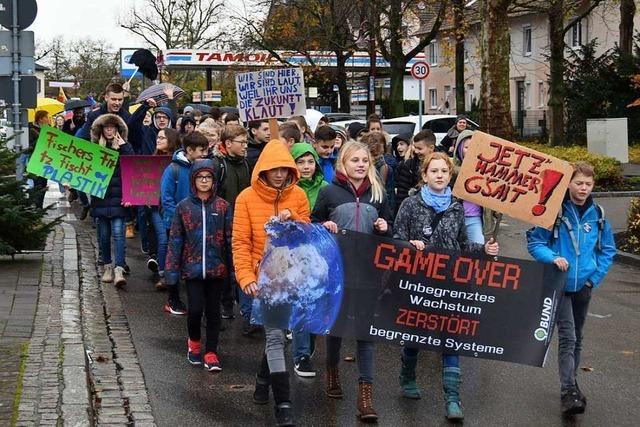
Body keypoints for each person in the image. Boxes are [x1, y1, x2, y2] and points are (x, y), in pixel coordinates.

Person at [393, 152, 499, 421]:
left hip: (450, 282)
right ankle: (407, 376)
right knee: (416, 333)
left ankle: (453, 397)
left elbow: (463, 245)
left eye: (444, 171)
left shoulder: (456, 206)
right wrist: (409, 245)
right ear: (425, 175)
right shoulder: (410, 204)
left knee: (450, 337)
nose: (440, 175)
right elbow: (396, 239)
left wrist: (485, 250)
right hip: (419, 281)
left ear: (450, 175)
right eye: (434, 171)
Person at [527, 162, 616, 416]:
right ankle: (568, 391)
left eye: (588, 184)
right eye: (579, 183)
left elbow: (608, 249)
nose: (583, 188)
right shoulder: (554, 211)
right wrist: (552, 258)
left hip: (584, 286)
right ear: (568, 183)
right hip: (559, 285)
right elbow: (535, 243)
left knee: (578, 337)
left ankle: (572, 383)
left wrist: (593, 279)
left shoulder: (598, 213)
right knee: (568, 337)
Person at [312, 140, 391, 423]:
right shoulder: (328, 192)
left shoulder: (378, 194)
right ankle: (332, 372)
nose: (360, 165)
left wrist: (384, 228)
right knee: (335, 328)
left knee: (365, 335)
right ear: (343, 163)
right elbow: (313, 224)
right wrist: (323, 227)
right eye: (354, 160)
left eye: (365, 161)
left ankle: (365, 395)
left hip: (369, 274)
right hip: (337, 273)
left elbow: (388, 228)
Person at [233, 140, 310, 427]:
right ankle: (284, 404)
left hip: (292, 276)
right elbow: (240, 242)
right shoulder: (245, 198)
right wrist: (246, 277)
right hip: (263, 279)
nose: (279, 174)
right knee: (276, 338)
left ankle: (262, 380)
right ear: (262, 169)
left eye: (284, 169)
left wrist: (295, 219)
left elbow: (307, 236)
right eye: (273, 169)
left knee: (279, 334)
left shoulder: (299, 195)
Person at [165, 158, 232, 372]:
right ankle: (194, 342)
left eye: (208, 177)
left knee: (213, 312)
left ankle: (211, 351)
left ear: (214, 180)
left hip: (216, 269)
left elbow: (230, 240)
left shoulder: (222, 206)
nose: (205, 181)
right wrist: (171, 273)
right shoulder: (183, 207)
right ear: (194, 180)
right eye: (200, 177)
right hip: (192, 268)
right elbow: (175, 240)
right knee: (194, 310)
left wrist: (233, 270)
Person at [159, 132, 209, 315]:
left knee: (193, 262)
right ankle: (173, 299)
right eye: (201, 150)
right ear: (189, 150)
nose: (205, 154)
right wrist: (180, 222)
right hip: (176, 225)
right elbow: (167, 199)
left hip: (198, 224)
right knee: (175, 262)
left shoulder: (203, 168)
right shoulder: (173, 170)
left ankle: (194, 299)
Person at [289, 142, 327, 378]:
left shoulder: (326, 188)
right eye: (300, 162)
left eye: (310, 161)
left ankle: (308, 343)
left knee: (316, 304)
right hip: (295, 254)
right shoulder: (288, 190)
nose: (305, 166)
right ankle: (300, 355)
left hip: (320, 254)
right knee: (300, 302)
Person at [212, 124, 253, 326]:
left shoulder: (245, 164)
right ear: (228, 144)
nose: (245, 146)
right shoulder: (217, 165)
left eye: (246, 142)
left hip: (242, 223)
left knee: (239, 267)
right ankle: (224, 305)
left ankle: (241, 310)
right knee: (223, 268)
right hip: (221, 225)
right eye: (242, 142)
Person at [89, 114, 135, 288]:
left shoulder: (124, 147)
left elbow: (132, 168)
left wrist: (125, 147)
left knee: (118, 234)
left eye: (112, 127)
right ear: (101, 129)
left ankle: (119, 269)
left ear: (117, 129)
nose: (109, 130)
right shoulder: (94, 148)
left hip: (119, 199)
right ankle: (107, 267)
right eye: (106, 127)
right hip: (101, 199)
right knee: (103, 236)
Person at [145, 128, 181, 290]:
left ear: (171, 140)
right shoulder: (153, 160)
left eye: (162, 138)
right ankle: (162, 274)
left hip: (172, 206)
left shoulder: (177, 163)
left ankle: (172, 272)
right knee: (163, 238)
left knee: (173, 240)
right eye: (157, 137)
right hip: (155, 207)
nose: (158, 140)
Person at [394, 130, 436, 214]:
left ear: (431, 148)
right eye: (415, 147)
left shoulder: (443, 165)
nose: (416, 152)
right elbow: (402, 194)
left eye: (420, 149)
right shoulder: (409, 165)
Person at [27, 111, 51, 209]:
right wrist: (40, 138)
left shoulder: (49, 129)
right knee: (37, 184)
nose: (48, 119)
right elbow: (29, 146)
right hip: (35, 161)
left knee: (44, 185)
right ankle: (36, 207)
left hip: (46, 161)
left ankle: (39, 206)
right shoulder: (30, 129)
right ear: (40, 119)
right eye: (46, 117)